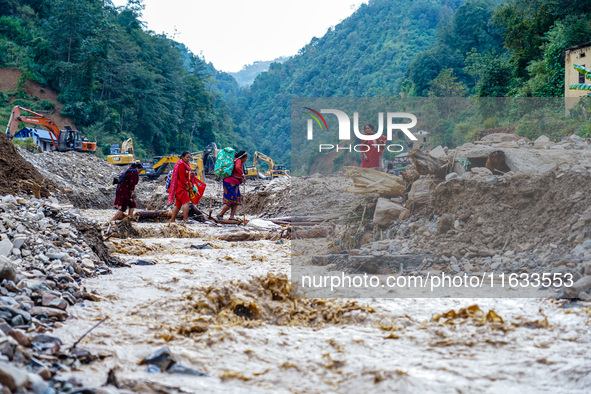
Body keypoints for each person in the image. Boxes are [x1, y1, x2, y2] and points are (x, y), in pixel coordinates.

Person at [217, 150, 247, 221]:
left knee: (236, 200)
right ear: (243, 157)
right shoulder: (238, 161)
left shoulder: (235, 160)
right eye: (246, 158)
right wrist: (242, 176)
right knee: (231, 200)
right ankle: (220, 214)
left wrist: (241, 178)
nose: (246, 160)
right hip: (230, 183)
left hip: (234, 183)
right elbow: (237, 169)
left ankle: (232, 216)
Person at [168, 151, 192, 225]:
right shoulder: (181, 165)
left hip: (180, 187)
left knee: (178, 204)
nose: (188, 159)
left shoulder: (185, 164)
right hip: (181, 187)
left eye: (189, 158)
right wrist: (187, 185)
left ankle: (172, 220)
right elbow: (182, 177)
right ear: (183, 157)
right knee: (186, 202)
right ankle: (185, 220)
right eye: (187, 157)